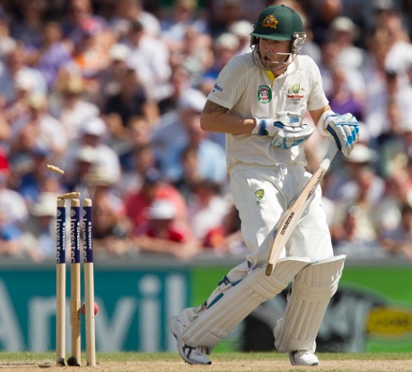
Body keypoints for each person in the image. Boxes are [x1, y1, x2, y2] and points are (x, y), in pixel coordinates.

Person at [169, 4, 360, 366]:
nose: (269, 50)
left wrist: (333, 123)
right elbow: (208, 119)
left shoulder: (307, 69)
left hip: (295, 171)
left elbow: (320, 112)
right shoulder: (241, 68)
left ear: (295, 43)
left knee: (321, 263)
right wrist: (261, 127)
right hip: (251, 170)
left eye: (277, 43)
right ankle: (192, 331)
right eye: (264, 42)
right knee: (270, 262)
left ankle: (299, 342)